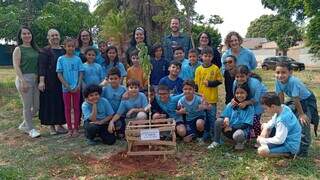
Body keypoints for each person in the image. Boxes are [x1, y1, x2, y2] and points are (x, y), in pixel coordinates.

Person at [274, 62, 319, 156]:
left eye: (283, 72)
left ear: (290, 72)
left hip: (306, 100)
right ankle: (286, 142)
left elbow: (297, 99)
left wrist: (302, 114)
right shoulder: (277, 81)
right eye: (277, 72)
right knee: (285, 118)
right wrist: (281, 109)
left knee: (303, 122)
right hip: (294, 99)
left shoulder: (293, 81)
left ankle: (303, 151)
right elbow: (280, 95)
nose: (280, 75)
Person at [13, 26, 41, 138]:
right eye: (24, 34)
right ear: (20, 36)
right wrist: (22, 80)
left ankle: (24, 124)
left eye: (28, 33)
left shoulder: (35, 48)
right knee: (27, 106)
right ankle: (31, 129)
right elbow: (16, 65)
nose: (27, 35)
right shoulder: (18, 49)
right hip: (24, 78)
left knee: (37, 106)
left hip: (35, 79)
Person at [38, 29, 67, 135]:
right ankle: (51, 127)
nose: (55, 37)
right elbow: (42, 67)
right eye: (52, 35)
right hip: (49, 81)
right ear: (48, 37)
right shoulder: (44, 51)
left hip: (62, 81)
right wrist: (41, 81)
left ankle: (59, 125)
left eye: (56, 35)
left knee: (60, 102)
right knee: (49, 103)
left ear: (59, 37)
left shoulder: (64, 50)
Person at [208, 84, 254, 150]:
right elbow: (223, 116)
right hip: (228, 128)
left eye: (242, 93)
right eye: (237, 93)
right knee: (219, 121)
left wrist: (232, 128)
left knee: (239, 134)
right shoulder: (231, 104)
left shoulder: (250, 108)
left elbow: (247, 124)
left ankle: (240, 143)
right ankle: (216, 141)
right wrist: (225, 118)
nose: (239, 95)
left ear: (247, 94)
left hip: (240, 130)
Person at [257, 92, 301, 157]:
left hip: (289, 145)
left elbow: (279, 140)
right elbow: (271, 122)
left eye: (265, 109)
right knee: (265, 125)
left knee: (261, 151)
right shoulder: (283, 107)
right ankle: (264, 144)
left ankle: (288, 154)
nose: (264, 111)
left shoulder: (282, 120)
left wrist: (263, 140)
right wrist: (265, 129)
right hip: (286, 139)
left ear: (272, 106)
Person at [56, 37, 84, 137]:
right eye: (69, 46)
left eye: (72, 46)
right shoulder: (61, 59)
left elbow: (81, 73)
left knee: (76, 107)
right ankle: (70, 129)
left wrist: (78, 85)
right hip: (65, 89)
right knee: (67, 108)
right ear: (65, 47)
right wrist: (66, 85)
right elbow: (59, 74)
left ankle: (76, 128)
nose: (71, 48)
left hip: (76, 88)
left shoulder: (78, 59)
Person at [221, 32, 257, 107]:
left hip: (245, 81)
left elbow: (253, 66)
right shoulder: (225, 55)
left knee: (245, 102)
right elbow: (223, 70)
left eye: (235, 40)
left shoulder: (248, 53)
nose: (234, 42)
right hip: (231, 81)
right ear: (228, 43)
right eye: (231, 41)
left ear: (239, 40)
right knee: (231, 103)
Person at [194, 47, 223, 141]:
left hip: (212, 99)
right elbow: (196, 85)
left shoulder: (215, 68)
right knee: (204, 117)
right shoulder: (198, 69)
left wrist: (210, 83)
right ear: (201, 57)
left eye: (209, 56)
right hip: (201, 99)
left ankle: (214, 134)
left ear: (212, 57)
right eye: (205, 56)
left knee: (211, 117)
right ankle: (205, 134)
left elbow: (220, 81)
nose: (207, 58)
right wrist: (197, 96)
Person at [232, 65, 267, 140]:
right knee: (244, 115)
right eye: (237, 77)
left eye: (242, 76)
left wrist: (246, 103)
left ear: (247, 75)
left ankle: (259, 134)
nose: (239, 79)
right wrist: (234, 100)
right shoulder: (235, 82)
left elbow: (256, 99)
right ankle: (248, 132)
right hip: (247, 96)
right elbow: (235, 95)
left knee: (254, 117)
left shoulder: (255, 83)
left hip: (259, 98)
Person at [101, 67, 127, 137]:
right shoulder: (104, 89)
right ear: (108, 79)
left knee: (121, 135)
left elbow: (124, 106)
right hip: (107, 115)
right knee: (108, 133)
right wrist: (102, 84)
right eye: (111, 79)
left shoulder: (124, 89)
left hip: (119, 115)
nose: (113, 81)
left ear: (120, 78)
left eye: (115, 78)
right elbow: (94, 93)